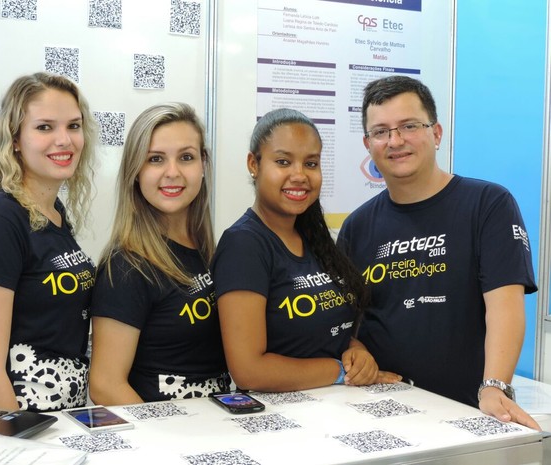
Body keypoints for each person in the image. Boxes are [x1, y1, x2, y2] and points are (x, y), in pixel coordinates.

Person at [336, 75, 540, 430]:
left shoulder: (488, 205)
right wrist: (356, 348)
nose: (395, 141)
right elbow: (342, 319)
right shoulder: (357, 226)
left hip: (467, 411)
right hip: (380, 410)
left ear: (437, 133)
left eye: (409, 126)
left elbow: (505, 307)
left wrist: (494, 387)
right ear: (369, 145)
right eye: (381, 131)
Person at [212, 108, 400, 392]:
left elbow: (319, 332)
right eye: (283, 161)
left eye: (311, 164)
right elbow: (249, 371)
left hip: (332, 411)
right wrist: (339, 369)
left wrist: (356, 350)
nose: (299, 175)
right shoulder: (244, 245)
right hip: (283, 422)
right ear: (254, 164)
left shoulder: (314, 238)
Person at [0, 72, 97, 412]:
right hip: (21, 422)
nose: (64, 140)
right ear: (15, 139)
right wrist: (18, 444)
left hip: (64, 419)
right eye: (45, 127)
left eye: (74, 126)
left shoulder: (55, 213)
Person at [89, 103, 229, 404]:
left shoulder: (208, 252)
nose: (173, 172)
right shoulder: (126, 268)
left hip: (215, 428)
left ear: (203, 165)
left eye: (186, 157)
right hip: (168, 439)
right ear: (135, 171)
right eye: (155, 159)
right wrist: (163, 444)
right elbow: (105, 385)